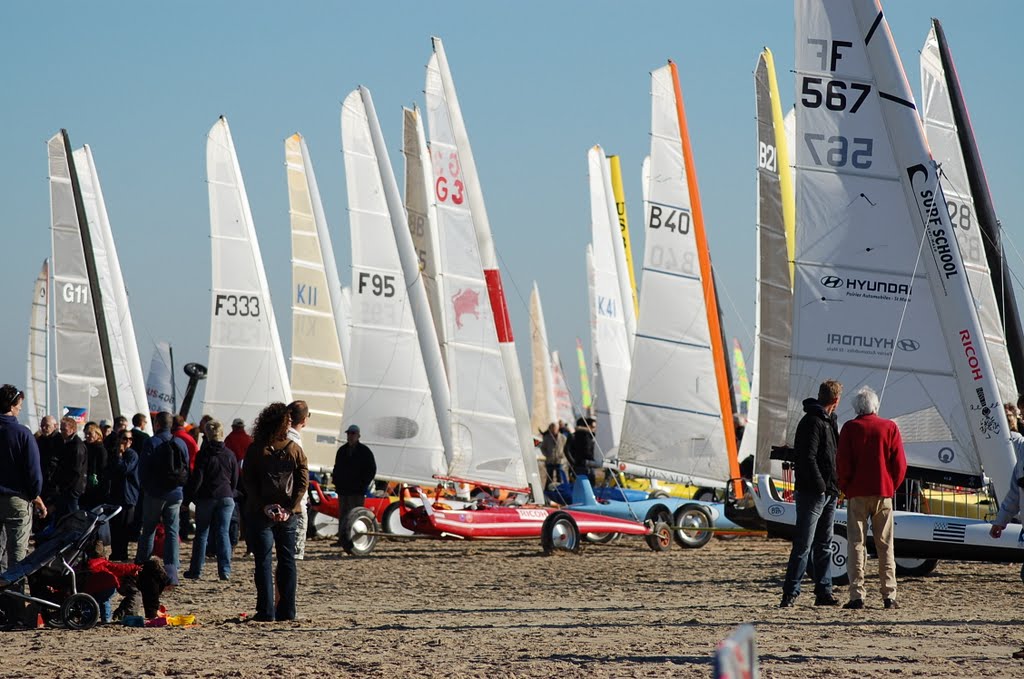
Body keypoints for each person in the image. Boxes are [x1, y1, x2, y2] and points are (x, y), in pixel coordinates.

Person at [836, 385, 907, 610]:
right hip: (883, 492)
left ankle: (857, 595)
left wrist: (846, 487)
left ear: (857, 407)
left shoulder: (849, 428)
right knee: (885, 544)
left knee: (856, 544)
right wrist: (891, 485)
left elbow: (843, 463)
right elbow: (899, 464)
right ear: (875, 405)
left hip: (857, 493)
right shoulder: (889, 427)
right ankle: (889, 595)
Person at [242, 402, 308, 622]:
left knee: (263, 561)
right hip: (289, 514)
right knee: (286, 560)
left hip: (262, 512)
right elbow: (302, 482)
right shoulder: (294, 449)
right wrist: (290, 508)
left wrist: (264, 505)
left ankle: (266, 611)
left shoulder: (256, 448)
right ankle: (287, 611)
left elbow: (248, 482)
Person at [780, 379, 842, 608]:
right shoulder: (813, 422)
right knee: (804, 544)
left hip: (828, 491)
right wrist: (821, 485)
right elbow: (807, 457)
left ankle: (824, 591)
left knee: (824, 544)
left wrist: (833, 486)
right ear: (836, 400)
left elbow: (831, 454)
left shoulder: (828, 422)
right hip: (813, 492)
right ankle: (790, 592)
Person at [135, 411, 189, 585]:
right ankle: (172, 571)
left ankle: (141, 567)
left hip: (155, 493)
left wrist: (147, 489)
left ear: (157, 424)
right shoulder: (180, 442)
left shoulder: (151, 442)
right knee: (172, 531)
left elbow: (142, 470)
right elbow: (186, 467)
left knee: (149, 529)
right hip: (176, 492)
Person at [183, 419, 238, 581]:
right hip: (226, 496)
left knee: (202, 534)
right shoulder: (230, 454)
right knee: (223, 533)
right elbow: (235, 478)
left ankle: (196, 570)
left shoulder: (203, 455)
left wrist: (189, 499)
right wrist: (230, 492)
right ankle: (225, 570)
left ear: (206, 435)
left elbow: (197, 479)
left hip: (207, 497)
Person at [0, 385, 45, 572]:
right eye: (19, 405)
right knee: (17, 557)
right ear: (12, 406)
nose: (20, 408)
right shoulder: (22, 433)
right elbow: (34, 472)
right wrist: (34, 494)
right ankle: (13, 600)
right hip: (16, 499)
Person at [332, 424, 376, 545]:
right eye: (349, 434)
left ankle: (353, 539)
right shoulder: (342, 451)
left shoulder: (365, 452)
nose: (350, 436)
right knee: (343, 514)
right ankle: (342, 539)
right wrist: (336, 482)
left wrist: (363, 484)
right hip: (343, 489)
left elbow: (371, 469)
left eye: (353, 434)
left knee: (355, 515)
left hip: (357, 490)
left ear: (358, 435)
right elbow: (337, 468)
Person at [106, 428, 141, 561]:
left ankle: (123, 554)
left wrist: (120, 456)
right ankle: (116, 553)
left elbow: (124, 469)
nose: (127, 442)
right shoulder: (114, 454)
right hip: (116, 495)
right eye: (124, 439)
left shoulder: (132, 454)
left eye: (130, 439)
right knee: (115, 528)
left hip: (128, 497)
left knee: (124, 529)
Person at [285, 401, 310, 560]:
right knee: (294, 552)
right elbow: (301, 475)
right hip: (295, 500)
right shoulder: (295, 442)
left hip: (280, 496)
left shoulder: (280, 437)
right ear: (304, 420)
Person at [54, 416, 88, 521]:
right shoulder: (68, 444)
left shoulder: (77, 446)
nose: (62, 432)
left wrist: (65, 486)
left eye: (64, 429)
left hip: (72, 489)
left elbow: (76, 471)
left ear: (72, 429)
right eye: (61, 429)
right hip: (68, 488)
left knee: (72, 516)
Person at [81, 421, 109, 509]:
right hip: (84, 484)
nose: (87, 436)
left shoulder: (100, 449)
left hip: (95, 486)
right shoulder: (84, 446)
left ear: (97, 434)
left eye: (90, 433)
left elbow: (102, 469)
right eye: (86, 434)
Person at [539, 422, 567, 488]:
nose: (553, 430)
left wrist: (563, 455)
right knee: (549, 477)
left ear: (558, 429)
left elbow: (566, 448)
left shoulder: (563, 437)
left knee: (559, 477)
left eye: (554, 428)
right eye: (552, 428)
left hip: (559, 460)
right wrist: (546, 454)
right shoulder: (547, 437)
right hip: (549, 460)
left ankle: (560, 489)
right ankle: (548, 490)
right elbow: (543, 447)